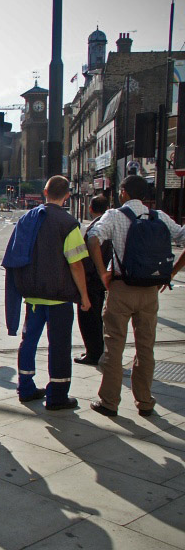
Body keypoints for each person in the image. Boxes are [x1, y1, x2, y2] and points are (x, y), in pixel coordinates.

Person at [87, 174, 185, 417]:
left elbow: (93, 237)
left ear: (123, 192)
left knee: (114, 345)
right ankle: (145, 402)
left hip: (121, 288)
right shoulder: (160, 217)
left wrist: (103, 273)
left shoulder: (114, 215)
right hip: (150, 291)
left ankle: (109, 401)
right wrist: (170, 274)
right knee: (146, 348)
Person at [3, 175, 90, 411]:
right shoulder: (68, 223)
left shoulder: (28, 219)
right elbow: (76, 264)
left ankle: (26, 387)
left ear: (44, 192)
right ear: (68, 196)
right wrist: (84, 295)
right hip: (59, 296)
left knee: (28, 340)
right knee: (59, 344)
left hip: (32, 295)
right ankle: (57, 395)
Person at [74, 194, 111, 365]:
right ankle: (98, 349)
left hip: (92, 278)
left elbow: (86, 257)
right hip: (102, 278)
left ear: (90, 209)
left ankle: (93, 352)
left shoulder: (94, 229)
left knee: (88, 317)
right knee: (97, 316)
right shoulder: (109, 226)